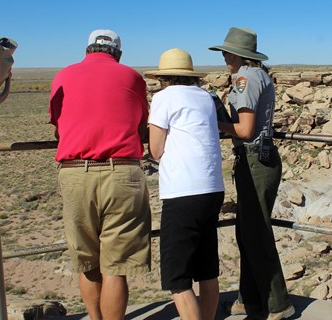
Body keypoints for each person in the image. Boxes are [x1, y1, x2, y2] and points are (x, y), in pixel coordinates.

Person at [49, 29, 151, 320]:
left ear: (87, 50)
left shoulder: (63, 76)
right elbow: (141, 125)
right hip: (122, 174)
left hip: (75, 174)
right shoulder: (132, 77)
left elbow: (58, 127)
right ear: (117, 53)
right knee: (116, 267)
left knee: (87, 261)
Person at [210, 27, 295, 320]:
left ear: (236, 53)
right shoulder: (257, 76)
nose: (223, 57)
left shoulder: (247, 78)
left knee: (256, 233)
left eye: (225, 51)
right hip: (258, 159)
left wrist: (217, 122)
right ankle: (248, 300)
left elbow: (245, 131)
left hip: (255, 160)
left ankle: (279, 304)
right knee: (247, 232)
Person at [146, 48, 225, 320]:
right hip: (212, 186)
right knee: (206, 269)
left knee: (177, 277)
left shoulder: (163, 98)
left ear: (163, 77)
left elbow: (155, 149)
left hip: (183, 191)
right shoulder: (205, 96)